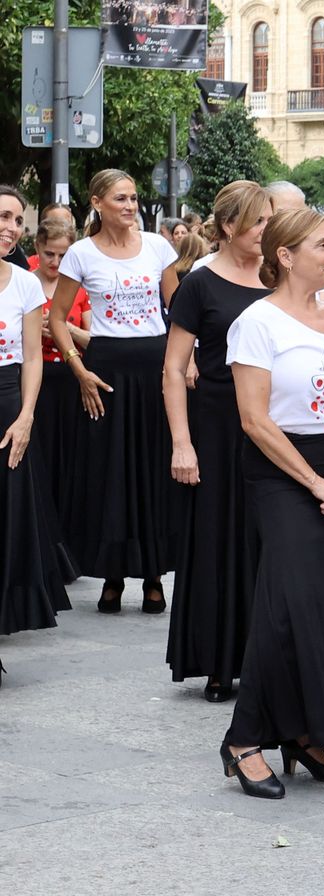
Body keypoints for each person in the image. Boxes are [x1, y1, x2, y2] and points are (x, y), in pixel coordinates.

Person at [219, 208, 324, 801]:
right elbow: (254, 420)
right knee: (286, 605)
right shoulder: (257, 322)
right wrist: (315, 483)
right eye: (322, 246)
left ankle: (305, 731)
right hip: (283, 473)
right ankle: (243, 740)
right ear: (285, 256)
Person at [51, 169, 184, 615]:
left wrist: (184, 365)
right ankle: (111, 575)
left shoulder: (159, 247)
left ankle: (153, 575)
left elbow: (178, 311)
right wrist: (79, 370)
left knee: (151, 469)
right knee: (110, 472)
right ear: (97, 202)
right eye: (121, 199)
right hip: (104, 372)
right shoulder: (80, 254)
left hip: (154, 366)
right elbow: (57, 318)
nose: (130, 206)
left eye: (133, 198)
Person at [163, 180, 272, 703]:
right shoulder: (200, 284)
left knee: (268, 539)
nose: (267, 232)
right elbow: (172, 370)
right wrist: (182, 444)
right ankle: (217, 662)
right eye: (259, 223)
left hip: (276, 423)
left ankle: (266, 656)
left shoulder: (282, 277)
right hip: (216, 423)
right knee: (217, 538)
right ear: (230, 227)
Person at [0, 185, 73, 688]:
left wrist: (27, 415)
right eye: (1, 216)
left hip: (9, 404)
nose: (8, 226)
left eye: (14, 219)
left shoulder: (25, 284)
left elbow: (31, 356)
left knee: (6, 522)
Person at [28, 219, 91, 545]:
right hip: (33, 381)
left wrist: (60, 329)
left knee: (67, 459)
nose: (55, 262)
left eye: (63, 255)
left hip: (70, 380)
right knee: (39, 458)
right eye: (49, 254)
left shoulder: (79, 289)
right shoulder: (24, 283)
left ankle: (66, 538)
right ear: (38, 249)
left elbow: (93, 340)